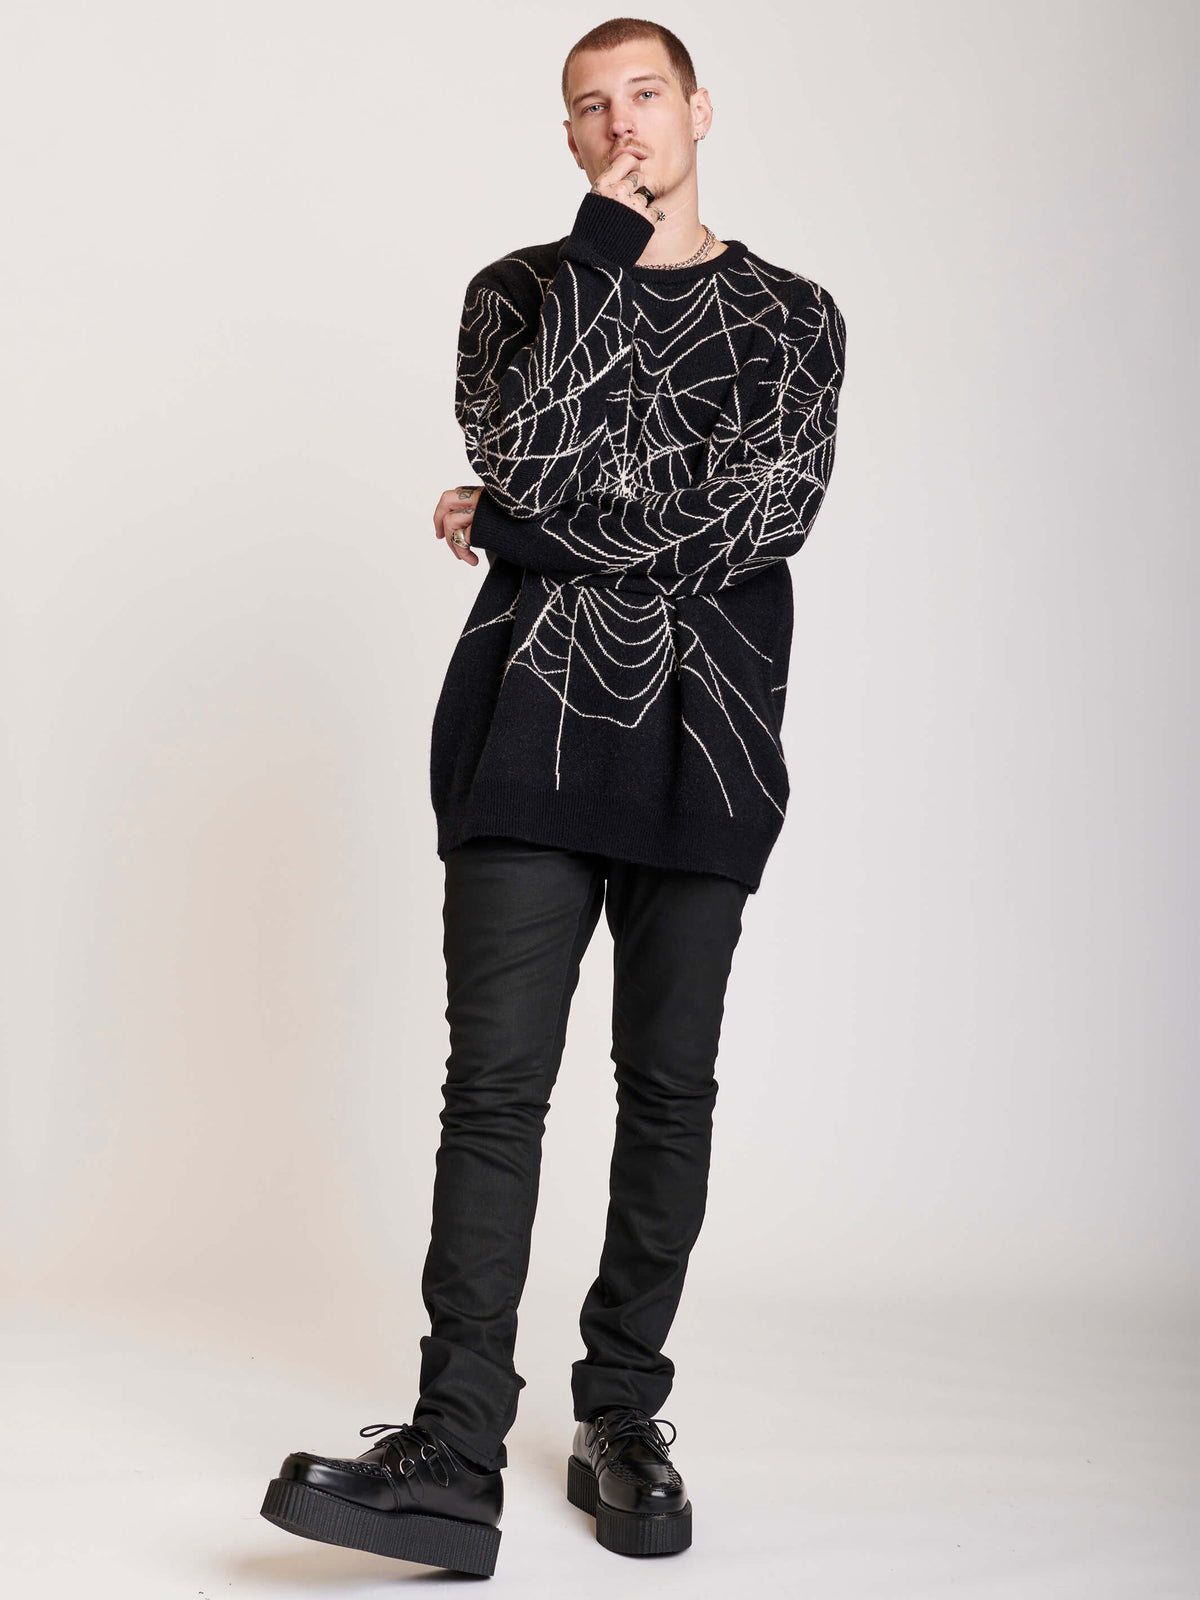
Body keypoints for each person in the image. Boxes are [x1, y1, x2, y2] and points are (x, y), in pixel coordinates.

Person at [260, 15, 846, 1577]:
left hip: (709, 746)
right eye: (591, 108)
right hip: (529, 734)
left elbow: (761, 518)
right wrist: (597, 256)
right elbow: (521, 442)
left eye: (645, 95)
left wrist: (518, 531)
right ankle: (455, 1454)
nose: (621, 124)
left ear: (701, 109)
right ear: (570, 139)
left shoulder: (795, 317)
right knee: (493, 1094)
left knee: (669, 1091)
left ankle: (622, 1419)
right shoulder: (517, 292)